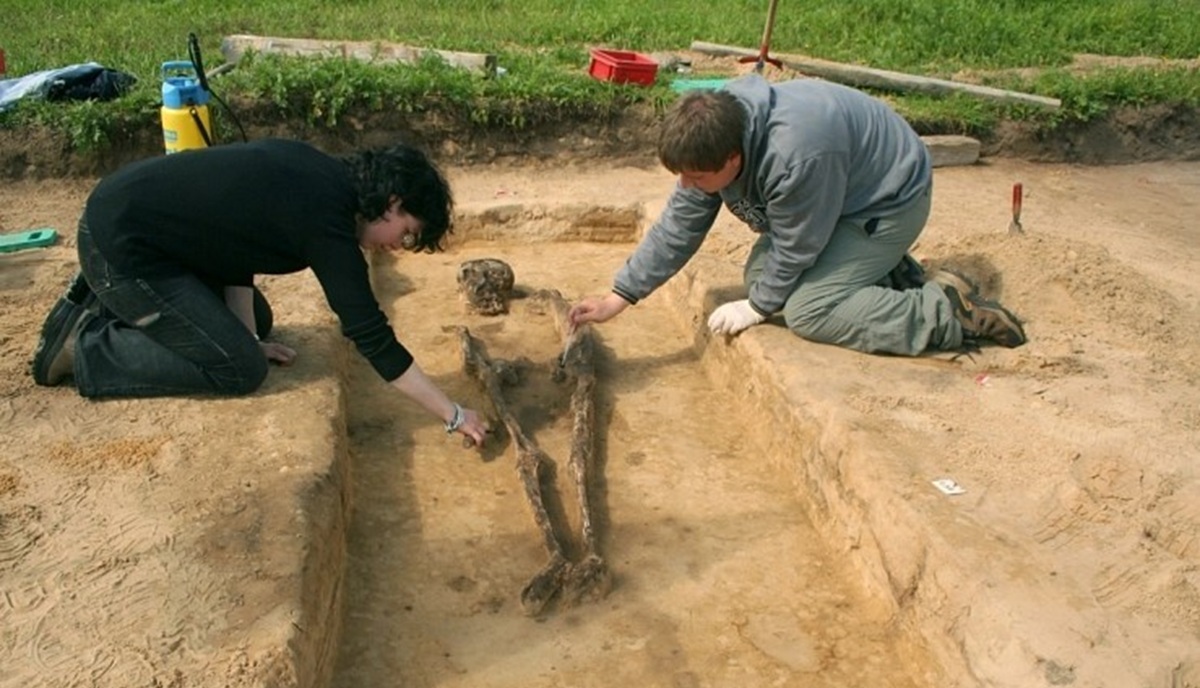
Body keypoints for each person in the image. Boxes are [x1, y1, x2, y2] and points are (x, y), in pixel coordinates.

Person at [30, 137, 489, 447]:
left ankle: (110, 305)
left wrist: (249, 334)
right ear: (393, 204)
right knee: (238, 367)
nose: (398, 246)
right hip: (122, 251)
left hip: (144, 235)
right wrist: (452, 414)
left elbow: (234, 245)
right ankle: (84, 346)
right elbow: (370, 334)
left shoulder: (323, 177)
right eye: (406, 232)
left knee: (253, 331)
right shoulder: (327, 221)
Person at [568, 74, 1025, 353]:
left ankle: (947, 312)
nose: (687, 186)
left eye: (698, 178)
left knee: (808, 311)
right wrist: (619, 297)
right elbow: (680, 224)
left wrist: (761, 306)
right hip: (836, 197)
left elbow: (798, 243)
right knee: (761, 275)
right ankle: (884, 275)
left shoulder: (798, 156)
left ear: (732, 158)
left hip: (888, 202)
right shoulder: (714, 130)